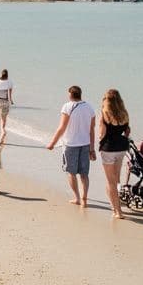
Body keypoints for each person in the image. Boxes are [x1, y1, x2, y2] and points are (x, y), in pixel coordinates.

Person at [45, 85, 96, 207]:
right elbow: (92, 130)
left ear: (70, 94)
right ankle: (85, 199)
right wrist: (92, 148)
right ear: (80, 94)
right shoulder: (89, 107)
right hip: (85, 144)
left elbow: (61, 128)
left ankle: (77, 198)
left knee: (71, 172)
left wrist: (52, 143)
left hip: (71, 144)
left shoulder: (67, 106)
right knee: (84, 174)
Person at [96, 89, 132, 220]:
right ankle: (115, 204)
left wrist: (99, 142)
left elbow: (102, 133)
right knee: (116, 179)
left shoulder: (105, 114)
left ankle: (118, 211)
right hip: (122, 147)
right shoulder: (125, 114)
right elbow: (127, 131)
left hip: (109, 148)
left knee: (110, 181)